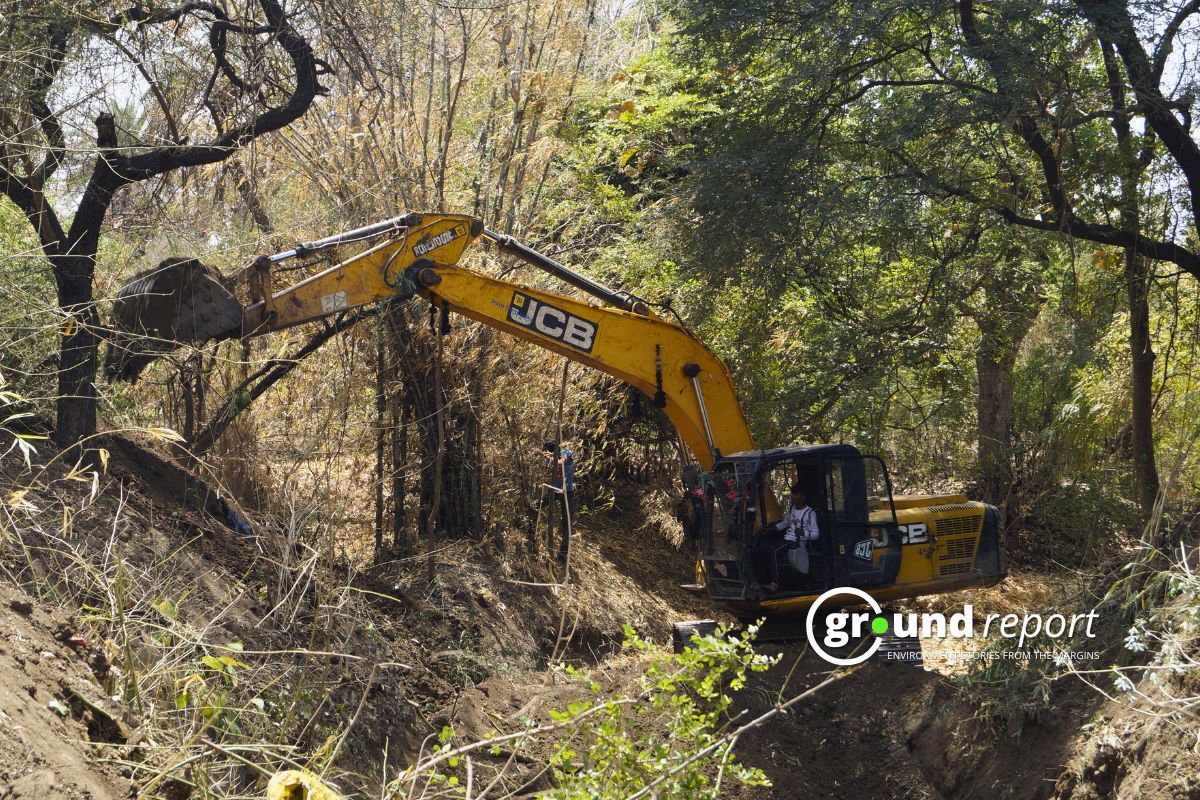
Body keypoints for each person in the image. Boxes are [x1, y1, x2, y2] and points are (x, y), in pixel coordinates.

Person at [753, 485, 820, 592]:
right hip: (786, 539)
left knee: (774, 551)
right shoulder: (792, 508)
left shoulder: (810, 513)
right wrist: (771, 529)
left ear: (803, 497)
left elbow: (816, 534)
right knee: (759, 551)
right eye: (792, 493)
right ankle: (758, 581)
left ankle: (775, 583)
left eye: (795, 494)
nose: (792, 496)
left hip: (796, 543)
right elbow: (785, 523)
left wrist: (804, 534)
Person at [535, 441, 576, 562]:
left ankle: (563, 556)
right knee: (537, 505)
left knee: (566, 524)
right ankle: (528, 527)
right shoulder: (551, 457)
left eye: (549, 453)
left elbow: (560, 463)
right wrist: (546, 459)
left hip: (567, 491)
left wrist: (542, 454)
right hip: (555, 489)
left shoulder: (566, 452)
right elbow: (549, 467)